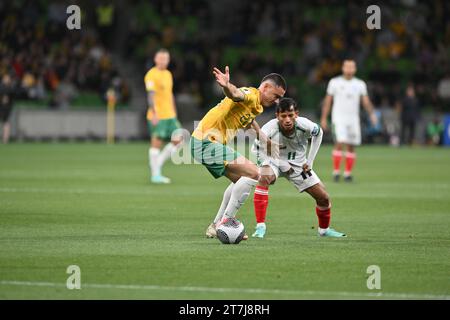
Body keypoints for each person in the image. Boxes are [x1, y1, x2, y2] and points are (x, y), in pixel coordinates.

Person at [190, 66, 286, 238]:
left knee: (242, 181)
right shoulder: (249, 94)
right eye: (276, 96)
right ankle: (225, 222)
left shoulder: (256, 105)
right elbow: (235, 94)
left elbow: (249, 121)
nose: (277, 101)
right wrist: (226, 85)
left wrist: (265, 141)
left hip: (205, 143)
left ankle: (216, 225)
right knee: (255, 173)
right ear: (265, 88)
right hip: (205, 142)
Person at [251, 98, 346, 238]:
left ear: (296, 114)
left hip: (298, 164)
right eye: (283, 116)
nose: (288, 119)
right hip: (273, 160)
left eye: (291, 115)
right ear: (277, 116)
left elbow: (319, 133)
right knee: (265, 177)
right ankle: (260, 227)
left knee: (323, 198)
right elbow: (256, 149)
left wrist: (310, 161)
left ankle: (324, 230)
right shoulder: (269, 128)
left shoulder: (305, 124)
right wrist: (276, 164)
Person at [320, 59, 378, 182]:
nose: (349, 69)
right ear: (343, 68)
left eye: (352, 67)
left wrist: (372, 114)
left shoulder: (360, 84)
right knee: (340, 142)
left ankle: (347, 173)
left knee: (351, 146)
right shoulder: (334, 82)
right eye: (347, 66)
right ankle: (336, 172)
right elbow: (328, 101)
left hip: (353, 119)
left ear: (355, 69)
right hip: (338, 118)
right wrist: (324, 118)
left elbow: (365, 101)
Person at [144, 49, 182, 184]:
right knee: (156, 143)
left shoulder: (168, 74)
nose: (163, 61)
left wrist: (175, 112)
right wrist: (154, 113)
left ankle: (157, 163)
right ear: (155, 59)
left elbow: (170, 94)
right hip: (158, 115)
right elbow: (151, 95)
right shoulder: (151, 75)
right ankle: (155, 175)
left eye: (166, 58)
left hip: (170, 115)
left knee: (179, 139)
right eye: (161, 58)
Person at [0, 73, 16, 144]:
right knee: (5, 122)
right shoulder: (1, 87)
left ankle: (5, 138)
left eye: (7, 78)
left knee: (6, 122)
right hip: (1, 106)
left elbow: (12, 96)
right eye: (5, 78)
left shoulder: (10, 88)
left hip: (6, 107)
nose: (6, 80)